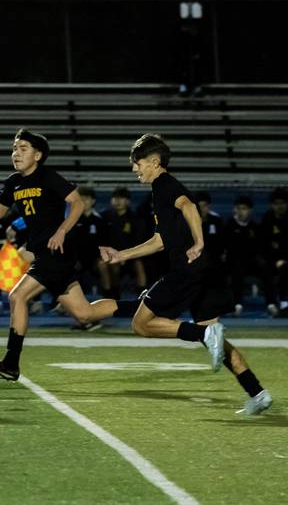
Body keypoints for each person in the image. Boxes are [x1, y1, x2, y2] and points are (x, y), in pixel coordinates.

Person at [99, 134, 271, 415]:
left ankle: (203, 333)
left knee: (141, 324)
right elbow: (160, 240)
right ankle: (257, 392)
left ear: (154, 162)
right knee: (218, 342)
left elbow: (189, 207)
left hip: (188, 270)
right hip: (205, 271)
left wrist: (199, 242)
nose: (134, 169)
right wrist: (122, 255)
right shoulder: (161, 189)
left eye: (137, 163)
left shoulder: (164, 183)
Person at [0, 128, 119, 381]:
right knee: (84, 313)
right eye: (14, 148)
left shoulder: (48, 176)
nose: (16, 153)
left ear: (38, 155)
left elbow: (77, 203)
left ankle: (11, 363)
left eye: (23, 148)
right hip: (45, 254)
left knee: (17, 296)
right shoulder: (14, 182)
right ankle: (144, 305)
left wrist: (62, 231)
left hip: (55, 252)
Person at [66, 186, 110, 330]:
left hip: (95, 260)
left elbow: (105, 244)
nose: (83, 201)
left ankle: (109, 302)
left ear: (93, 201)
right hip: (75, 261)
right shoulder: (71, 219)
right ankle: (81, 316)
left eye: (86, 198)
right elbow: (68, 243)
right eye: (80, 199)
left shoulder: (99, 220)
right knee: (64, 274)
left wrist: (100, 258)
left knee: (103, 265)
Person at [102, 187, 147, 299]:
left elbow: (138, 241)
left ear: (128, 201)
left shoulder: (135, 218)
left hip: (131, 255)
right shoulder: (104, 217)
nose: (118, 201)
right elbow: (102, 240)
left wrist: (125, 255)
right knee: (112, 265)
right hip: (111, 255)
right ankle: (114, 295)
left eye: (121, 198)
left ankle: (142, 296)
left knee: (139, 265)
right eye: (115, 198)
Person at [225, 195, 261, 316]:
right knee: (237, 268)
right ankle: (237, 304)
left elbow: (257, 248)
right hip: (233, 262)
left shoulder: (255, 227)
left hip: (251, 262)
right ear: (235, 209)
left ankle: (272, 304)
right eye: (239, 208)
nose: (241, 211)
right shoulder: (229, 225)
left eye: (244, 208)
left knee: (265, 268)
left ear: (250, 210)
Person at [261, 187, 288, 316]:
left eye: (282, 203)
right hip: (271, 259)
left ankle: (284, 304)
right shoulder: (267, 218)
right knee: (265, 268)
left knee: (285, 269)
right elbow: (264, 244)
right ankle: (271, 304)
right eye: (276, 203)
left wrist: (283, 259)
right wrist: (274, 260)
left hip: (286, 259)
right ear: (272, 205)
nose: (279, 206)